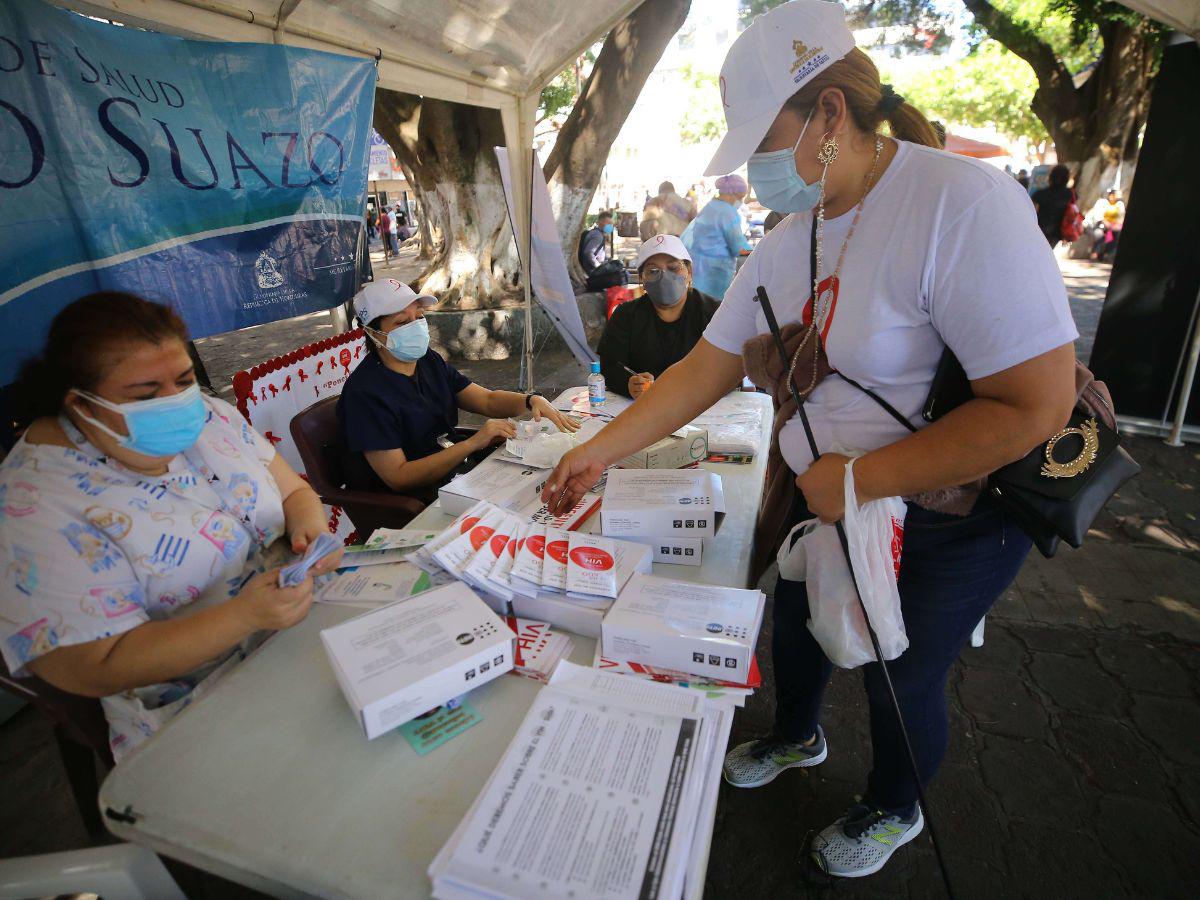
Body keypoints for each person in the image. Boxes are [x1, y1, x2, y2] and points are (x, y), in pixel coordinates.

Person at [541, 0, 1076, 880]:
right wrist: (601, 448)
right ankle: (797, 736)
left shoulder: (961, 203)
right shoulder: (795, 235)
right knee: (793, 625)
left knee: (898, 673)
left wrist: (861, 478)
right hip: (832, 500)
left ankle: (895, 805)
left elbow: (1033, 406)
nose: (755, 168)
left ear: (830, 114)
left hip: (954, 513)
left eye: (765, 137)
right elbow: (701, 374)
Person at [0, 293, 340, 762]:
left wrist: (309, 534)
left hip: (299, 634)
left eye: (182, 380)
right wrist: (244, 616)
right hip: (196, 713)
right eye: (145, 394)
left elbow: (295, 494)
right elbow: (90, 665)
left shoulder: (209, 416)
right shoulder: (34, 503)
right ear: (82, 404)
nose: (177, 403)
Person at [337, 279, 579, 500]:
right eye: (401, 322)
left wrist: (530, 400)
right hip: (416, 500)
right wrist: (474, 442)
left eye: (419, 317)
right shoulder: (365, 394)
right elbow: (399, 477)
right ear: (372, 333)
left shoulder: (428, 361)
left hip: (456, 472)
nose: (415, 326)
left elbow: (486, 400)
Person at [598, 235, 719, 399]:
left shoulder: (714, 313)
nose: (664, 276)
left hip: (703, 407)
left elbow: (729, 366)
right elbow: (610, 366)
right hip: (643, 407)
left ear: (689, 273)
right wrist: (629, 383)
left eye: (674, 268)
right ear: (642, 279)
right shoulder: (625, 316)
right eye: (653, 271)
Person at [681, 173, 754, 300]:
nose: (740, 202)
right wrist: (757, 250)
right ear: (731, 194)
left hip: (697, 267)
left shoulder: (709, 207)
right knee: (713, 309)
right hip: (715, 272)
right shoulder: (728, 212)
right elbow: (738, 247)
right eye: (740, 198)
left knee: (698, 304)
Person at [1031, 163, 1074, 246]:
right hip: (1059, 232)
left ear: (1051, 177)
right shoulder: (1070, 194)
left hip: (1040, 230)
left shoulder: (1039, 195)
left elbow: (1032, 214)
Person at [1088, 189, 1125, 261]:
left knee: (1118, 236)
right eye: (1113, 195)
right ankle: (1094, 253)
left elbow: (1121, 217)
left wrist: (1116, 225)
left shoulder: (1120, 205)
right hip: (1102, 223)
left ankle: (1105, 254)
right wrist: (1106, 223)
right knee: (1099, 234)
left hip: (1114, 226)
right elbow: (1098, 215)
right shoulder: (1102, 202)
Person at [578, 211, 614, 276]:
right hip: (592, 271)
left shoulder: (596, 232)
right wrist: (598, 266)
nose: (611, 226)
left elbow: (598, 252)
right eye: (608, 223)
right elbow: (588, 252)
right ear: (601, 222)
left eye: (611, 224)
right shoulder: (598, 236)